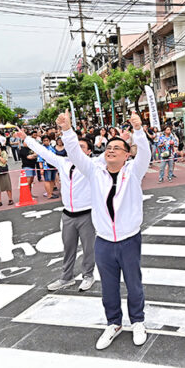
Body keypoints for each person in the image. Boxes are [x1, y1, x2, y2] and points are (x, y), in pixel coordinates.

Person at [59, 109, 150, 349]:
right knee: (109, 286)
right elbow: (76, 155)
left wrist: (138, 130)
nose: (111, 150)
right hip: (104, 241)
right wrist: (67, 130)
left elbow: (145, 154)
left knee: (133, 283)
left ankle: (138, 321)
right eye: (108, 148)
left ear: (127, 154)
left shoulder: (133, 171)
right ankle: (114, 323)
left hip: (129, 239)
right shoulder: (94, 171)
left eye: (117, 148)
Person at [19, 129, 99, 292]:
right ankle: (66, 277)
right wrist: (27, 138)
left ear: (89, 151)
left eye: (82, 147)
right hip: (68, 214)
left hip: (87, 214)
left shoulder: (93, 165)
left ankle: (88, 275)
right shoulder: (63, 163)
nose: (77, 150)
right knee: (68, 248)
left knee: (88, 248)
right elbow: (43, 151)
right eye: (75, 147)